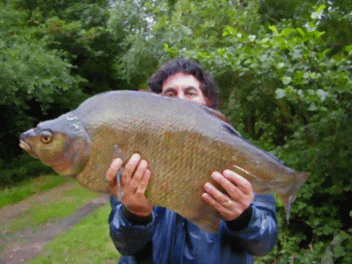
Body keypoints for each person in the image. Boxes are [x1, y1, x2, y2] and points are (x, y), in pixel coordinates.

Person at [106, 59, 278, 263]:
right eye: (170, 94)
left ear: (207, 101)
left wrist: (244, 218)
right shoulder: (135, 157)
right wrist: (135, 215)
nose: (180, 100)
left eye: (190, 93)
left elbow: (264, 243)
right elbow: (124, 244)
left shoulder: (240, 156)